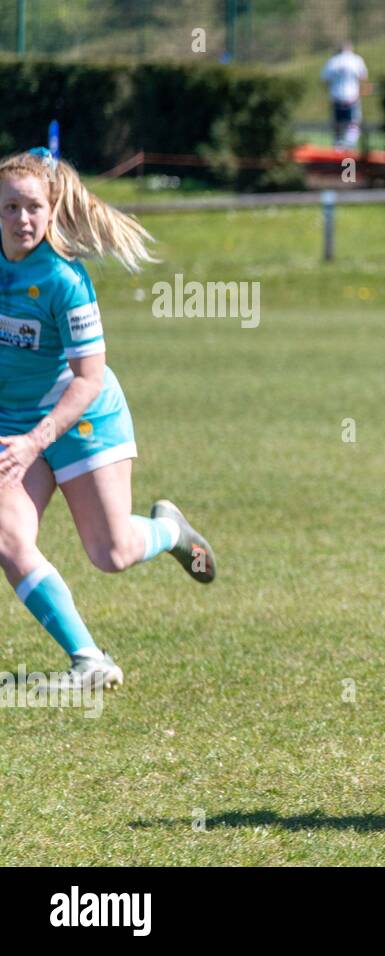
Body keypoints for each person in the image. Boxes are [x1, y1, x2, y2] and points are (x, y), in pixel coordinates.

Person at [0, 147, 217, 690]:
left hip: (82, 418)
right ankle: (90, 661)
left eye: (32, 208)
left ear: (50, 212)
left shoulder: (66, 282)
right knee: (7, 538)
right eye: (9, 208)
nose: (21, 219)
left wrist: (35, 440)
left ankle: (169, 531)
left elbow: (89, 378)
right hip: (14, 421)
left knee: (112, 553)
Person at [321, 42, 370, 149]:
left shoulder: (332, 61)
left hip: (336, 96)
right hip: (352, 96)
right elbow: (363, 77)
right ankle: (349, 145)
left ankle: (338, 144)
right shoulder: (356, 60)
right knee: (353, 122)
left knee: (337, 123)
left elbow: (324, 79)